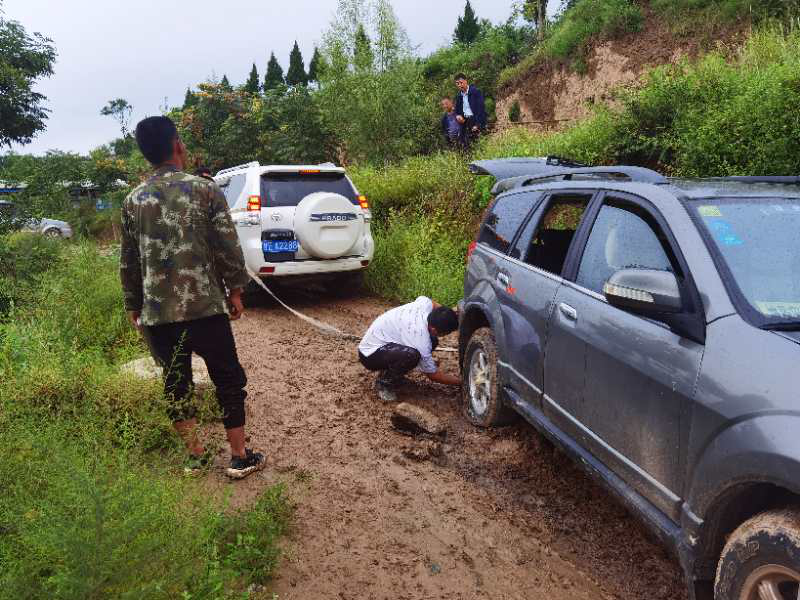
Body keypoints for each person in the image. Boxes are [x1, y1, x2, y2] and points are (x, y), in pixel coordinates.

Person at [120, 115, 265, 480]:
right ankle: (238, 456)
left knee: (175, 383)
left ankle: (196, 457)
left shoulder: (132, 201)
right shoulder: (206, 190)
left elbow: (129, 261)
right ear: (178, 146)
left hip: (158, 314)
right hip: (205, 309)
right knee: (228, 379)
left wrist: (132, 304)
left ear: (145, 154)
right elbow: (228, 247)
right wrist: (236, 290)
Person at [358, 297, 461, 403]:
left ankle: (392, 371)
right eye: (446, 333)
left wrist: (449, 314)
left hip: (381, 343)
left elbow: (432, 302)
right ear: (434, 329)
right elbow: (433, 375)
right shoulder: (421, 339)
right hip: (369, 355)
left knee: (432, 341)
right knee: (411, 356)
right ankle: (384, 383)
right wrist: (462, 382)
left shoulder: (423, 306)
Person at [454, 73, 487, 150]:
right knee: (463, 145)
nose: (459, 85)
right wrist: (458, 116)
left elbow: (481, 109)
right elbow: (457, 111)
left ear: (466, 81)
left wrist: (477, 124)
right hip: (465, 122)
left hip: (475, 120)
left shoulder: (476, 92)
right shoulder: (458, 96)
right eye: (457, 84)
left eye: (461, 82)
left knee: (477, 144)